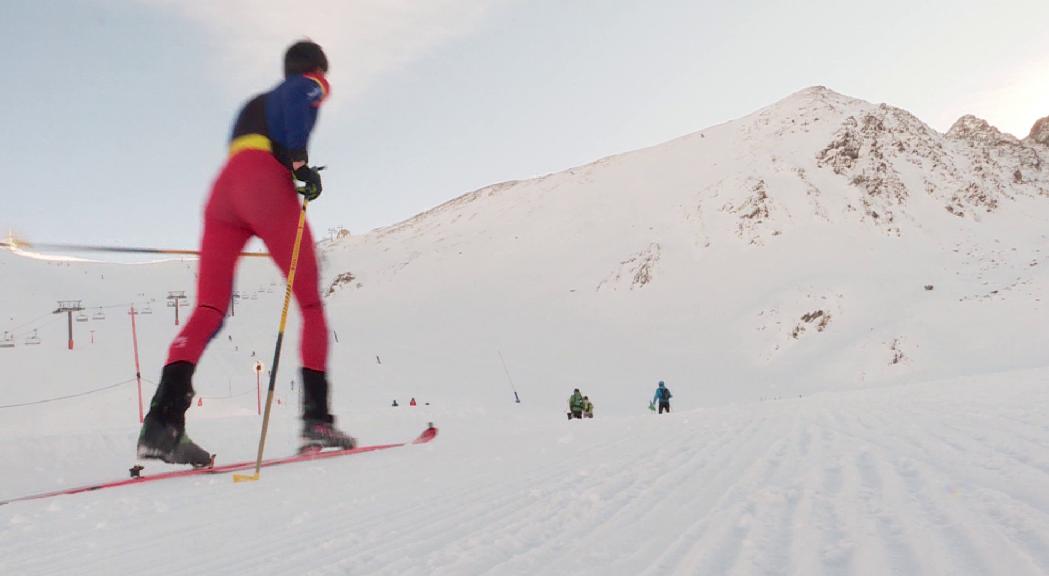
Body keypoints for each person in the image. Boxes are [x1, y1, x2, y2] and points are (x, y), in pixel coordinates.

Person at [136, 41, 355, 467]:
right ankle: (317, 420)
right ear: (316, 69)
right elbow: (297, 98)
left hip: (224, 192)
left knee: (208, 307)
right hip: (264, 186)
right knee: (309, 302)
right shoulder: (307, 84)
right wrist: (299, 165)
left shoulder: (254, 103)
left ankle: (162, 425)